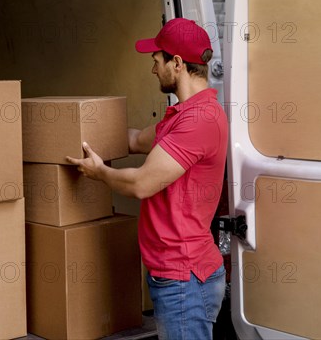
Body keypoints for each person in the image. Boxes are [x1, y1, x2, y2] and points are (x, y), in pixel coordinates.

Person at [66, 18, 228, 340]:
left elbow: (140, 184)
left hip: (184, 278)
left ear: (177, 64)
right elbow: (137, 139)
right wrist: (73, 127)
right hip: (176, 275)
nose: (153, 70)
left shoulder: (199, 121)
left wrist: (99, 173)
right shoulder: (181, 115)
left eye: (157, 61)